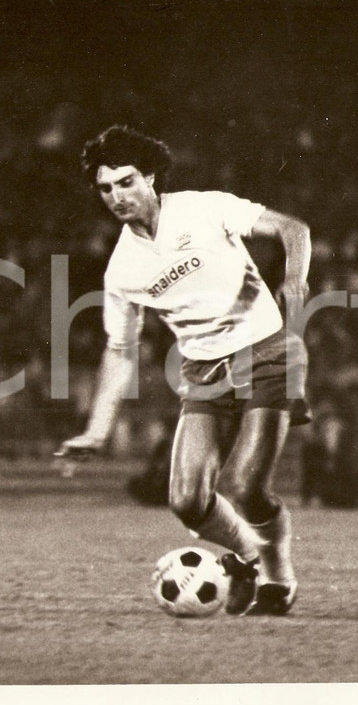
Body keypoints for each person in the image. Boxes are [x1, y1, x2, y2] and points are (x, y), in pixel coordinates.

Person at [56, 125, 312, 615]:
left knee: (243, 486)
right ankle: (248, 557)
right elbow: (120, 351)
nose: (116, 196)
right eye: (106, 188)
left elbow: (292, 229)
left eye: (126, 181)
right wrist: (96, 430)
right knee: (186, 500)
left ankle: (279, 577)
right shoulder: (121, 270)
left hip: (266, 351)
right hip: (203, 372)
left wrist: (295, 279)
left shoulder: (203, 207)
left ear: (150, 175)